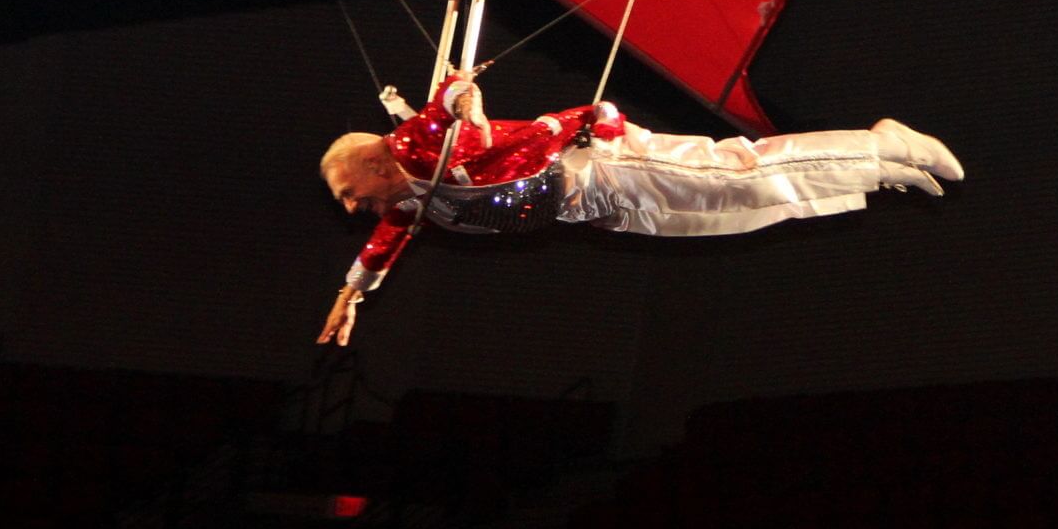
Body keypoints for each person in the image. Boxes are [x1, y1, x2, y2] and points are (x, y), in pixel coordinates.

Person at [315, 73, 963, 344]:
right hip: (597, 206)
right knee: (737, 208)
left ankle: (881, 141)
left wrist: (461, 101)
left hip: (603, 162)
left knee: (740, 171)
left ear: (374, 163)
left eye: (350, 193)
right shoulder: (409, 202)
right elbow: (382, 243)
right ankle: (880, 170)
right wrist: (353, 293)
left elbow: (447, 108)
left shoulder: (417, 152)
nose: (353, 209)